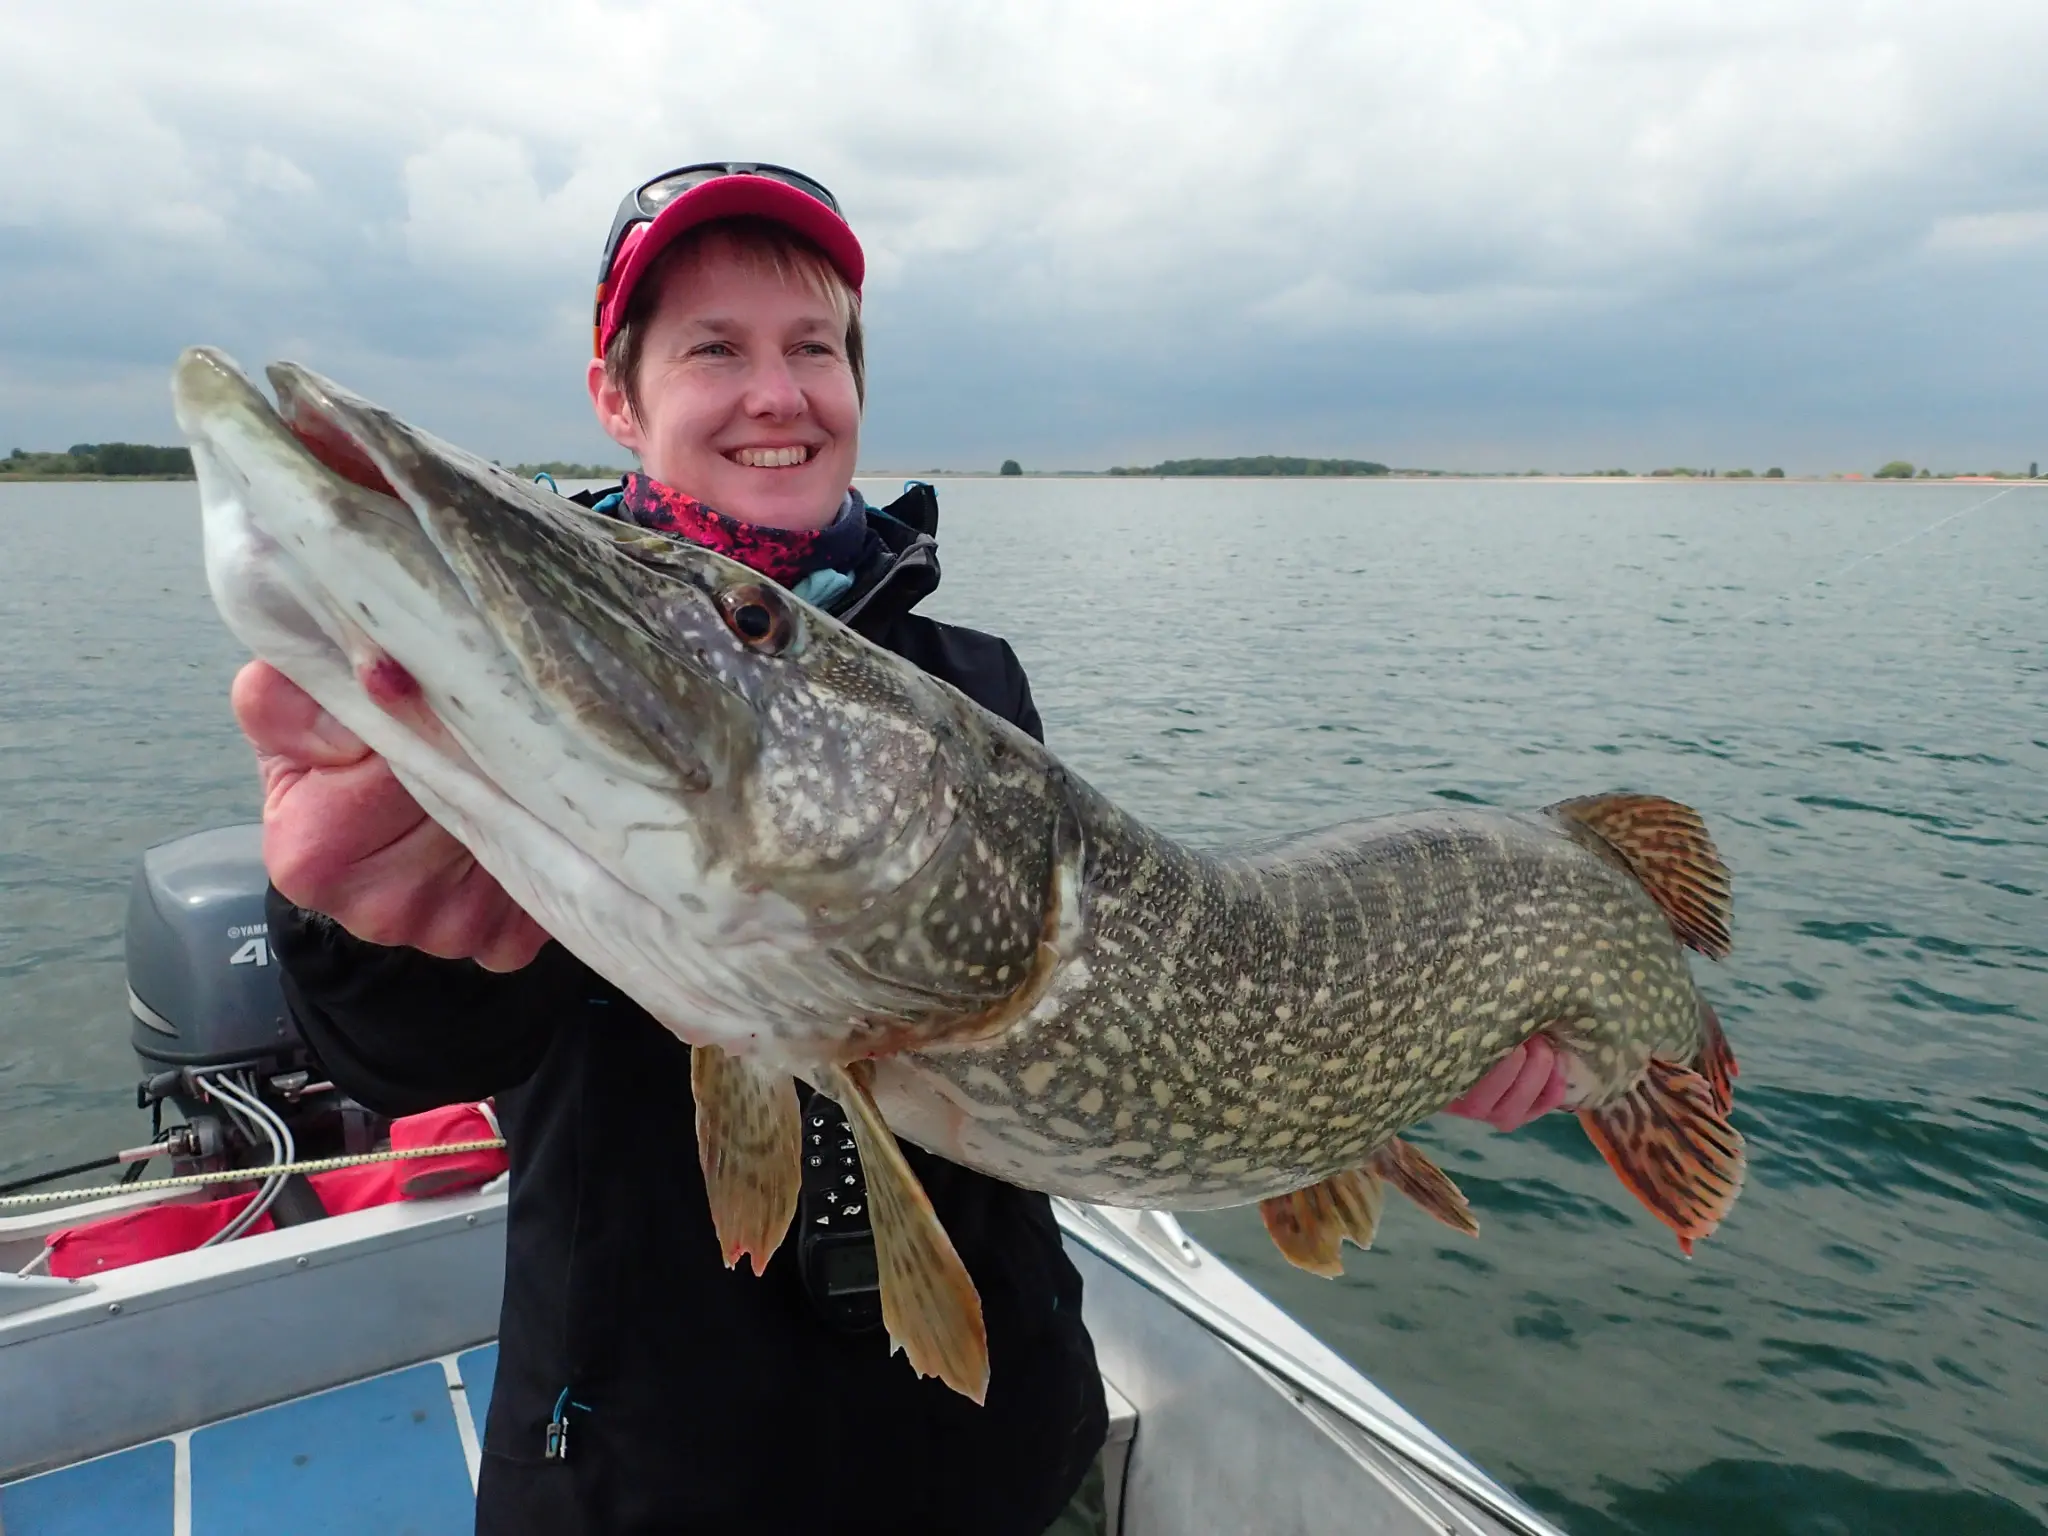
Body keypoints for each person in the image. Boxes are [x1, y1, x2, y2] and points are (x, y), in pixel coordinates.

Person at [231, 163, 1563, 1535]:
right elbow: (412, 1044)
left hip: (982, 1462)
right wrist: (355, 929)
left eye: (815, 348)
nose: (778, 391)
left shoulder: (970, 686)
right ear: (616, 399)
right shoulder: (580, 703)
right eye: (715, 350)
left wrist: (1402, 1052)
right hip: (649, 1481)